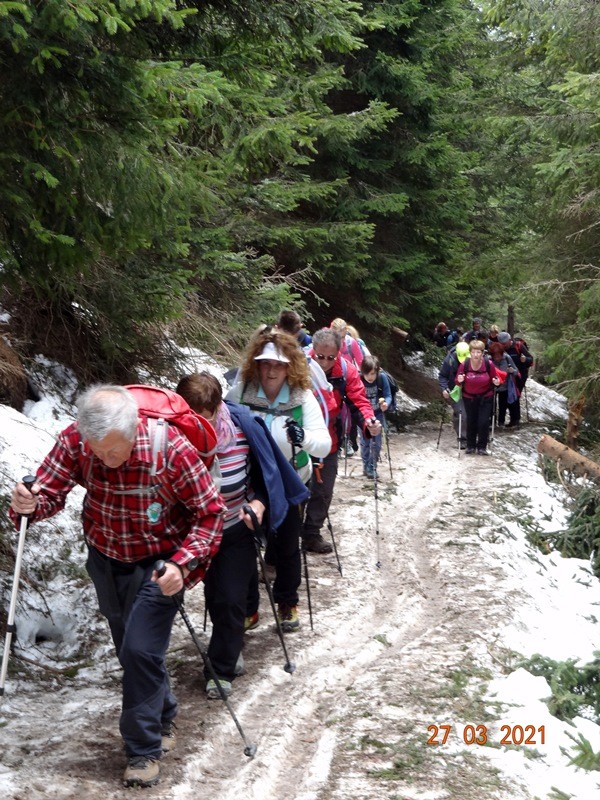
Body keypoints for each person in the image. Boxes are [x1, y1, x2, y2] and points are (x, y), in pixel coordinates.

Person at [9, 385, 225, 788]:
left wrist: (182, 563)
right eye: (98, 452)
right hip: (106, 558)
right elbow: (49, 490)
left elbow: (211, 513)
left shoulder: (170, 448)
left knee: (140, 648)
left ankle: (143, 751)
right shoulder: (78, 440)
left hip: (159, 566)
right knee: (133, 648)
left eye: (114, 451)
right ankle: (164, 713)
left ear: (133, 429)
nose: (106, 461)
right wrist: (28, 504)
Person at [176, 372, 309, 697]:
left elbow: (265, 475)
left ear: (219, 406)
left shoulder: (242, 427)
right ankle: (228, 638)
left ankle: (222, 665)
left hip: (234, 524)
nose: (201, 427)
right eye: (192, 419)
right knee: (217, 593)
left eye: (206, 418)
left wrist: (259, 505)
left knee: (230, 598)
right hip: (191, 530)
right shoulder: (170, 434)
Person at [226, 329, 331, 628]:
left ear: (289, 367)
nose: (271, 370)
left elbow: (323, 444)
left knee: (286, 545)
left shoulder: (302, 398)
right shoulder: (240, 393)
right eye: (265, 363)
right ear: (256, 365)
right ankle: (249, 608)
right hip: (250, 482)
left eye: (278, 365)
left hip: (290, 479)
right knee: (244, 546)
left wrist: (305, 437)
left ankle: (287, 602)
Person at [303, 328, 382, 552]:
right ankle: (288, 537)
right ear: (313, 351)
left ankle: (311, 533)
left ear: (338, 353)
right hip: (299, 439)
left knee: (324, 489)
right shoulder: (299, 367)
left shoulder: (345, 370)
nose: (325, 362)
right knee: (297, 490)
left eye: (331, 357)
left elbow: (359, 400)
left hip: (329, 439)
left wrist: (369, 421)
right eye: (320, 357)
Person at [455, 341, 500, 455]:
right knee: (471, 421)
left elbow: (495, 379)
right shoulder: (464, 364)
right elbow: (457, 381)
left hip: (486, 397)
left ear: (482, 353)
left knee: (483, 422)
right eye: (473, 352)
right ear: (470, 353)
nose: (475, 354)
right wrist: (459, 380)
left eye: (478, 352)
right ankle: (470, 446)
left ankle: (482, 447)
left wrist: (496, 382)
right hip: (469, 397)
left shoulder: (488, 364)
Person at [359, 355, 391, 478]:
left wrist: (386, 403)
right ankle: (366, 463)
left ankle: (372, 465)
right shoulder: (359, 379)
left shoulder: (381, 378)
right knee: (365, 441)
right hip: (363, 416)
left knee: (377, 443)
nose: (370, 377)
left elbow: (388, 395)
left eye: (373, 374)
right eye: (367, 374)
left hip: (377, 414)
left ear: (377, 371)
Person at [438, 341, 470, 449]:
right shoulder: (449, 361)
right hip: (454, 391)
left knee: (469, 414)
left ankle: (472, 436)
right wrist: (444, 389)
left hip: (470, 391)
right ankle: (463, 439)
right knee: (461, 413)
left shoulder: (472, 359)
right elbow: (442, 376)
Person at [488, 341, 519, 429]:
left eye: (499, 355)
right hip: (492, 387)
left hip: (505, 386)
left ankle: (501, 422)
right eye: (495, 356)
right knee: (492, 405)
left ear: (502, 353)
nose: (497, 358)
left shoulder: (507, 358)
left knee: (503, 405)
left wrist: (512, 371)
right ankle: (492, 422)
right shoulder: (489, 360)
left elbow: (516, 371)